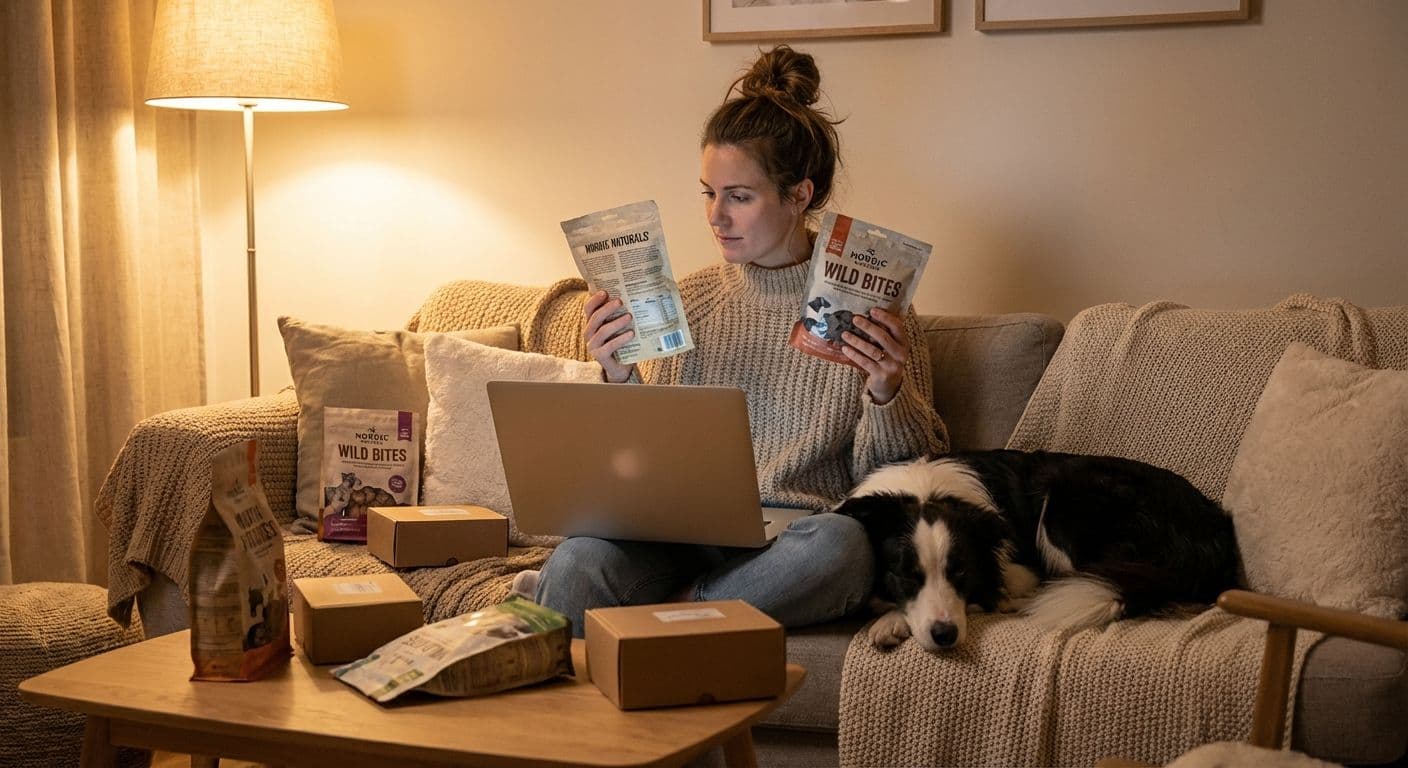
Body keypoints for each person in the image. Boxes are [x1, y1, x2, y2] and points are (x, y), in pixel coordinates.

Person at [525, 44, 949, 635]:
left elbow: (903, 484)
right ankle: (687, 628)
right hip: (681, 538)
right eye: (708, 192)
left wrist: (887, 392)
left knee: (842, 546)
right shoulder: (687, 300)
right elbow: (640, 469)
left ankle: (669, 618)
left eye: (739, 196)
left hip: (796, 543)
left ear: (799, 195)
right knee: (578, 558)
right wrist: (617, 375)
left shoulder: (873, 308)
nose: (715, 217)